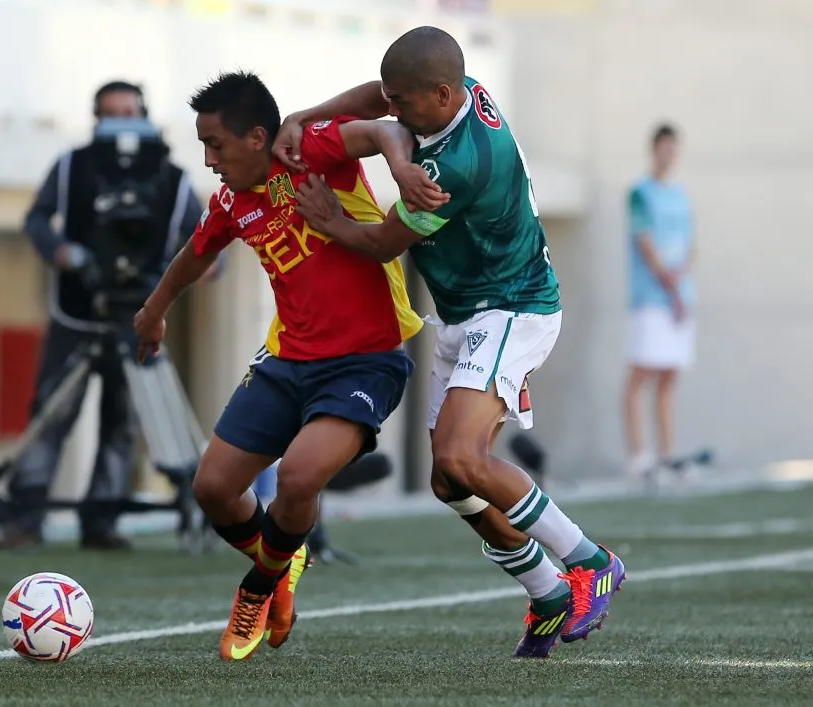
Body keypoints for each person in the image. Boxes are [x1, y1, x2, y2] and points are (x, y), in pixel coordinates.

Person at [275, 26, 626, 658]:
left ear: (441, 94)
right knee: (448, 480)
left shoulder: (453, 168)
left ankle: (590, 561)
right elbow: (379, 101)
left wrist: (327, 218)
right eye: (394, 99)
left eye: (405, 102)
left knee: (462, 458)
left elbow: (381, 245)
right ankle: (546, 590)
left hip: (511, 307)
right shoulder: (454, 90)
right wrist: (310, 114)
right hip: (468, 313)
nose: (394, 109)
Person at [133, 71, 429, 661]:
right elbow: (194, 257)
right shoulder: (231, 201)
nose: (209, 159)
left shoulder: (309, 150)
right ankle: (283, 553)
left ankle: (260, 586)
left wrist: (400, 168)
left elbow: (385, 124)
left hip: (365, 362)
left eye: (215, 145)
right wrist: (153, 311)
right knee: (213, 488)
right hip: (287, 360)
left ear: (256, 137)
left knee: (297, 477)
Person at [0, 81, 207, 551]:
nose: (120, 123)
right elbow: (36, 219)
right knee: (51, 412)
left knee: (123, 418)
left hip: (137, 314)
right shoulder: (72, 166)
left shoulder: (172, 178)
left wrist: (190, 268)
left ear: (145, 113)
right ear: (95, 118)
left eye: (128, 111)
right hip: (76, 311)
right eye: (110, 113)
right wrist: (66, 253)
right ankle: (25, 515)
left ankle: (103, 518)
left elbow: (204, 234)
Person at [623, 124, 695, 481]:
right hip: (651, 298)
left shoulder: (681, 194)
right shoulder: (639, 193)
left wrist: (682, 285)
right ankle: (639, 455)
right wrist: (669, 283)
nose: (669, 154)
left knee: (670, 375)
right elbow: (645, 242)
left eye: (674, 148)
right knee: (641, 373)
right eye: (664, 148)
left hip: (679, 299)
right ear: (654, 150)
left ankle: (667, 452)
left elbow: (690, 244)